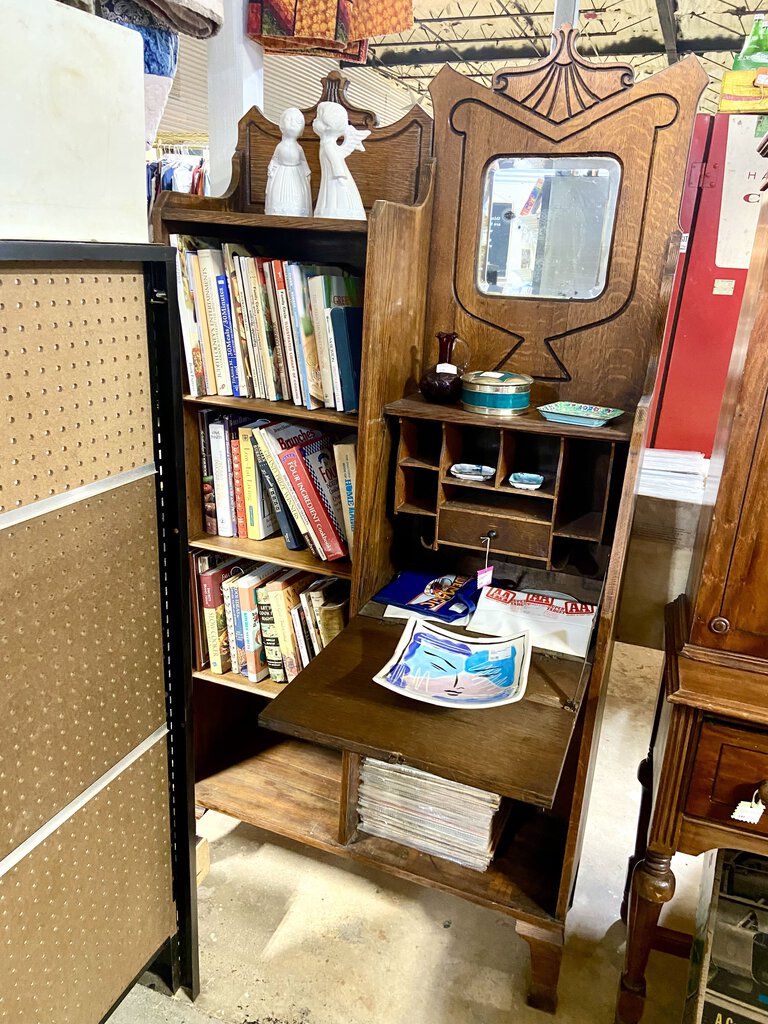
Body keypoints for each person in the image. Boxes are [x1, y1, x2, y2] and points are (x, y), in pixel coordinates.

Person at [312, 101, 370, 220]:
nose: (313, 121)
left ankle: (333, 210)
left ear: (327, 126)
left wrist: (339, 175)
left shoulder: (328, 144)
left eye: (317, 118)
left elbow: (335, 161)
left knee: (334, 196)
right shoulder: (325, 143)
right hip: (331, 177)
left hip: (336, 178)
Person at [265, 107, 312, 217]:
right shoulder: (279, 146)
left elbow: (303, 161)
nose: (292, 123)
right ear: (281, 125)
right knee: (279, 195)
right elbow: (275, 159)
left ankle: (298, 211)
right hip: (281, 174)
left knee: (297, 194)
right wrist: (271, 166)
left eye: (296, 121)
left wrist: (307, 173)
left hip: (296, 174)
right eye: (289, 119)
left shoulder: (299, 148)